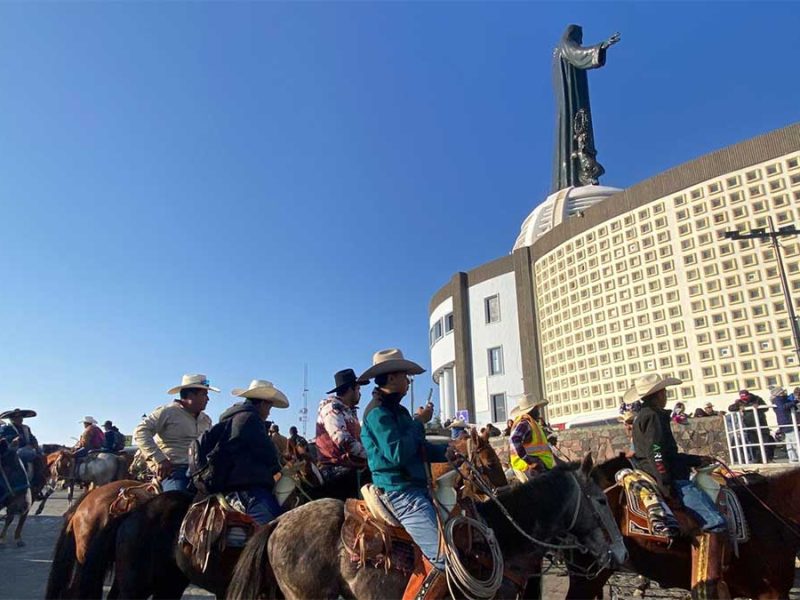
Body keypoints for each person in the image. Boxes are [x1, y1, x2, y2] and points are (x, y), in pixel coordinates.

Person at [360, 349, 451, 600]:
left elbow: (418, 449)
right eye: (404, 376)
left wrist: (451, 451)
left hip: (414, 488)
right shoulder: (377, 413)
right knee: (445, 559)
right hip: (400, 492)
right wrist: (419, 422)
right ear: (391, 379)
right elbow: (398, 454)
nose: (408, 381)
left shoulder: (397, 412)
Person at [629, 374, 727, 594]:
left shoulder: (644, 416)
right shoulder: (653, 417)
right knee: (716, 521)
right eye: (664, 392)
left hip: (658, 472)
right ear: (659, 395)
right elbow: (656, 454)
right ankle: (708, 584)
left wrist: (694, 459)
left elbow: (659, 453)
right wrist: (666, 485)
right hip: (671, 478)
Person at [216, 379, 288, 524]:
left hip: (239, 480)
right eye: (269, 406)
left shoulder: (238, 417)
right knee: (274, 525)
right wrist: (279, 467)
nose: (269, 412)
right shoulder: (250, 419)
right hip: (244, 485)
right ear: (262, 403)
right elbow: (268, 453)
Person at [134, 374, 216, 493]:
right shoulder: (167, 412)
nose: (208, 399)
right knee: (178, 501)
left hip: (202, 470)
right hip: (175, 469)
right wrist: (160, 459)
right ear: (190, 395)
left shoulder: (206, 419)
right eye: (204, 394)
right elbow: (141, 431)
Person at [315, 368, 369, 481]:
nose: (360, 393)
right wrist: (371, 456)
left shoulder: (347, 411)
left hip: (349, 464)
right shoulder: (331, 409)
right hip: (334, 468)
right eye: (358, 389)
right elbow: (342, 439)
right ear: (350, 389)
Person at [508, 393, 555, 482]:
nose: (538, 411)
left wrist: (548, 442)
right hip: (527, 466)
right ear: (532, 410)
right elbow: (514, 440)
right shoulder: (525, 424)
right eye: (537, 409)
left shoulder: (531, 424)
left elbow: (533, 444)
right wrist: (529, 461)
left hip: (536, 463)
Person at [0, 408, 44, 491]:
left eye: (20, 417)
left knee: (40, 458)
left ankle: (37, 483)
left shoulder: (26, 428)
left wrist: (34, 445)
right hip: (12, 452)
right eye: (16, 417)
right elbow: (4, 441)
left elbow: (32, 438)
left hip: (28, 450)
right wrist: (12, 443)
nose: (19, 419)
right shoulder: (6, 428)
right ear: (11, 419)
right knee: (24, 455)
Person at [728, 389, 773, 462]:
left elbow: (766, 408)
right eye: (743, 399)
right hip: (750, 426)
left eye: (746, 398)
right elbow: (730, 408)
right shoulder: (740, 402)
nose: (745, 400)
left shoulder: (757, 399)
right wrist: (739, 407)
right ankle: (758, 460)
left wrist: (758, 406)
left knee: (765, 443)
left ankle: (767, 459)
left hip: (761, 424)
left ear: (749, 395)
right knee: (754, 444)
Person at [770, 386, 798, 463]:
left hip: (784, 422)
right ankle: (795, 457)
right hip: (787, 422)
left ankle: (793, 458)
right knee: (794, 441)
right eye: (782, 392)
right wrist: (794, 402)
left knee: (790, 442)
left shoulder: (781, 399)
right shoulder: (778, 400)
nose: (784, 393)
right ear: (778, 393)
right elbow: (783, 407)